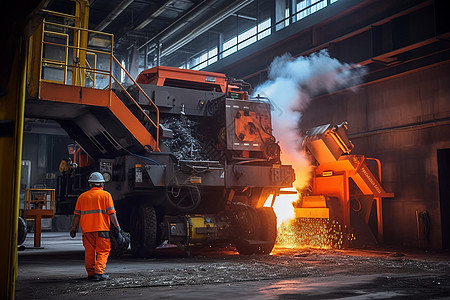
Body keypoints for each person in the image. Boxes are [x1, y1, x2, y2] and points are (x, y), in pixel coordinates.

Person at [70, 172, 121, 281]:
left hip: (87, 230)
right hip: (102, 229)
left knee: (89, 252)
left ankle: (91, 273)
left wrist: (73, 228)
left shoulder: (82, 197)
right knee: (103, 250)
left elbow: (76, 216)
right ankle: (99, 272)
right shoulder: (106, 195)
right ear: (102, 184)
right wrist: (117, 227)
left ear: (90, 184)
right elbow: (111, 213)